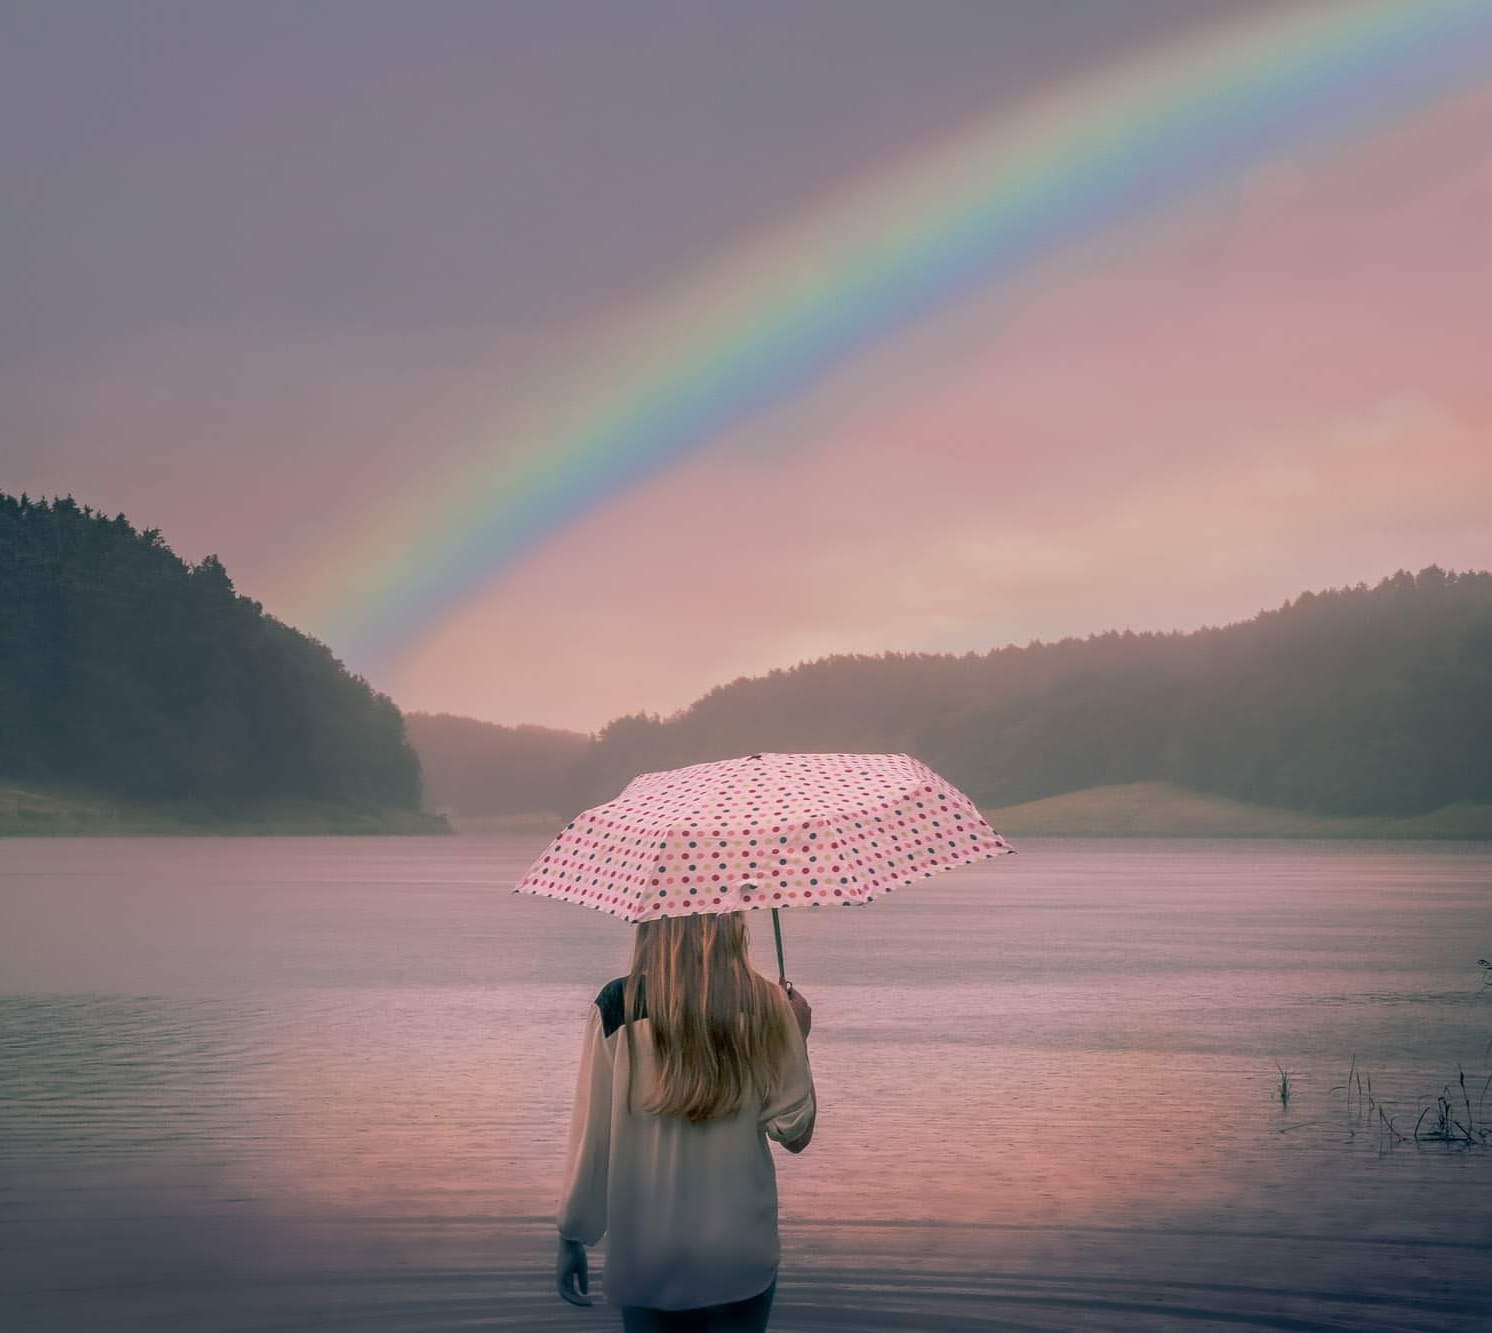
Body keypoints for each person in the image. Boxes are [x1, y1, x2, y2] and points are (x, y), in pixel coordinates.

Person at [554, 911, 816, 1332]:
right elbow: (795, 1131)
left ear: (650, 922)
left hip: (647, 1254)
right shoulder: (766, 1004)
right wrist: (796, 1038)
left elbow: (593, 1137)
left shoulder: (616, 1007)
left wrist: (574, 1234)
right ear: (732, 923)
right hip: (738, 1254)